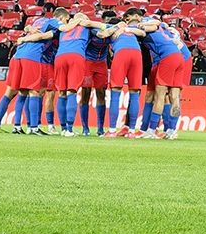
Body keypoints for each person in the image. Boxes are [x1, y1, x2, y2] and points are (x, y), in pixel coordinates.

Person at [53, 11, 108, 136]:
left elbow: (47, 35)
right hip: (76, 56)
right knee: (72, 91)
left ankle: (63, 129)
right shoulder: (86, 27)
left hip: (60, 57)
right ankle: (70, 129)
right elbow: (102, 31)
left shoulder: (63, 28)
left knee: (62, 92)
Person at [106, 9, 145, 138]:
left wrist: (115, 29)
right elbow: (143, 33)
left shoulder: (112, 30)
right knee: (134, 93)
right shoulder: (131, 30)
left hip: (121, 53)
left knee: (116, 92)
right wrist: (127, 28)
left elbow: (101, 34)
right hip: (137, 55)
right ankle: (132, 131)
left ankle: (112, 130)